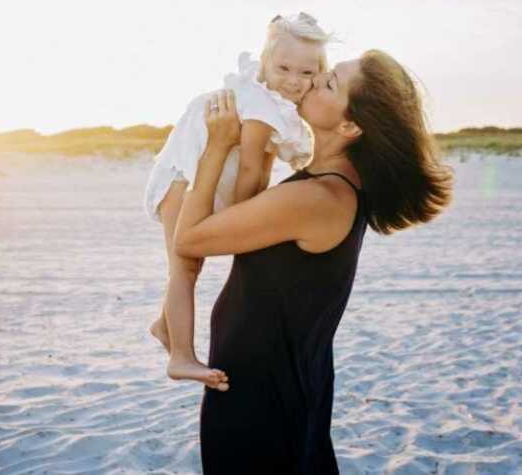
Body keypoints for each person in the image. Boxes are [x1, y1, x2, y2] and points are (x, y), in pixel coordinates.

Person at [174, 51, 453, 474]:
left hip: (262, 396)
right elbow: (247, 227)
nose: (315, 79)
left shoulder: (319, 197)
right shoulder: (327, 185)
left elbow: (189, 240)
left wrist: (216, 146)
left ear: (350, 125)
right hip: (282, 382)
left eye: (330, 83)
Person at [145, 13, 333, 390]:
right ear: (265, 62)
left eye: (307, 73)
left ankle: (166, 325)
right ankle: (180, 356)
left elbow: (260, 164)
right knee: (184, 269)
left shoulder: (273, 101)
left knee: (189, 268)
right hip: (183, 179)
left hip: (200, 180)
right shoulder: (260, 104)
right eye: (284, 68)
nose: (295, 81)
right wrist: (245, 223)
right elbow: (250, 170)